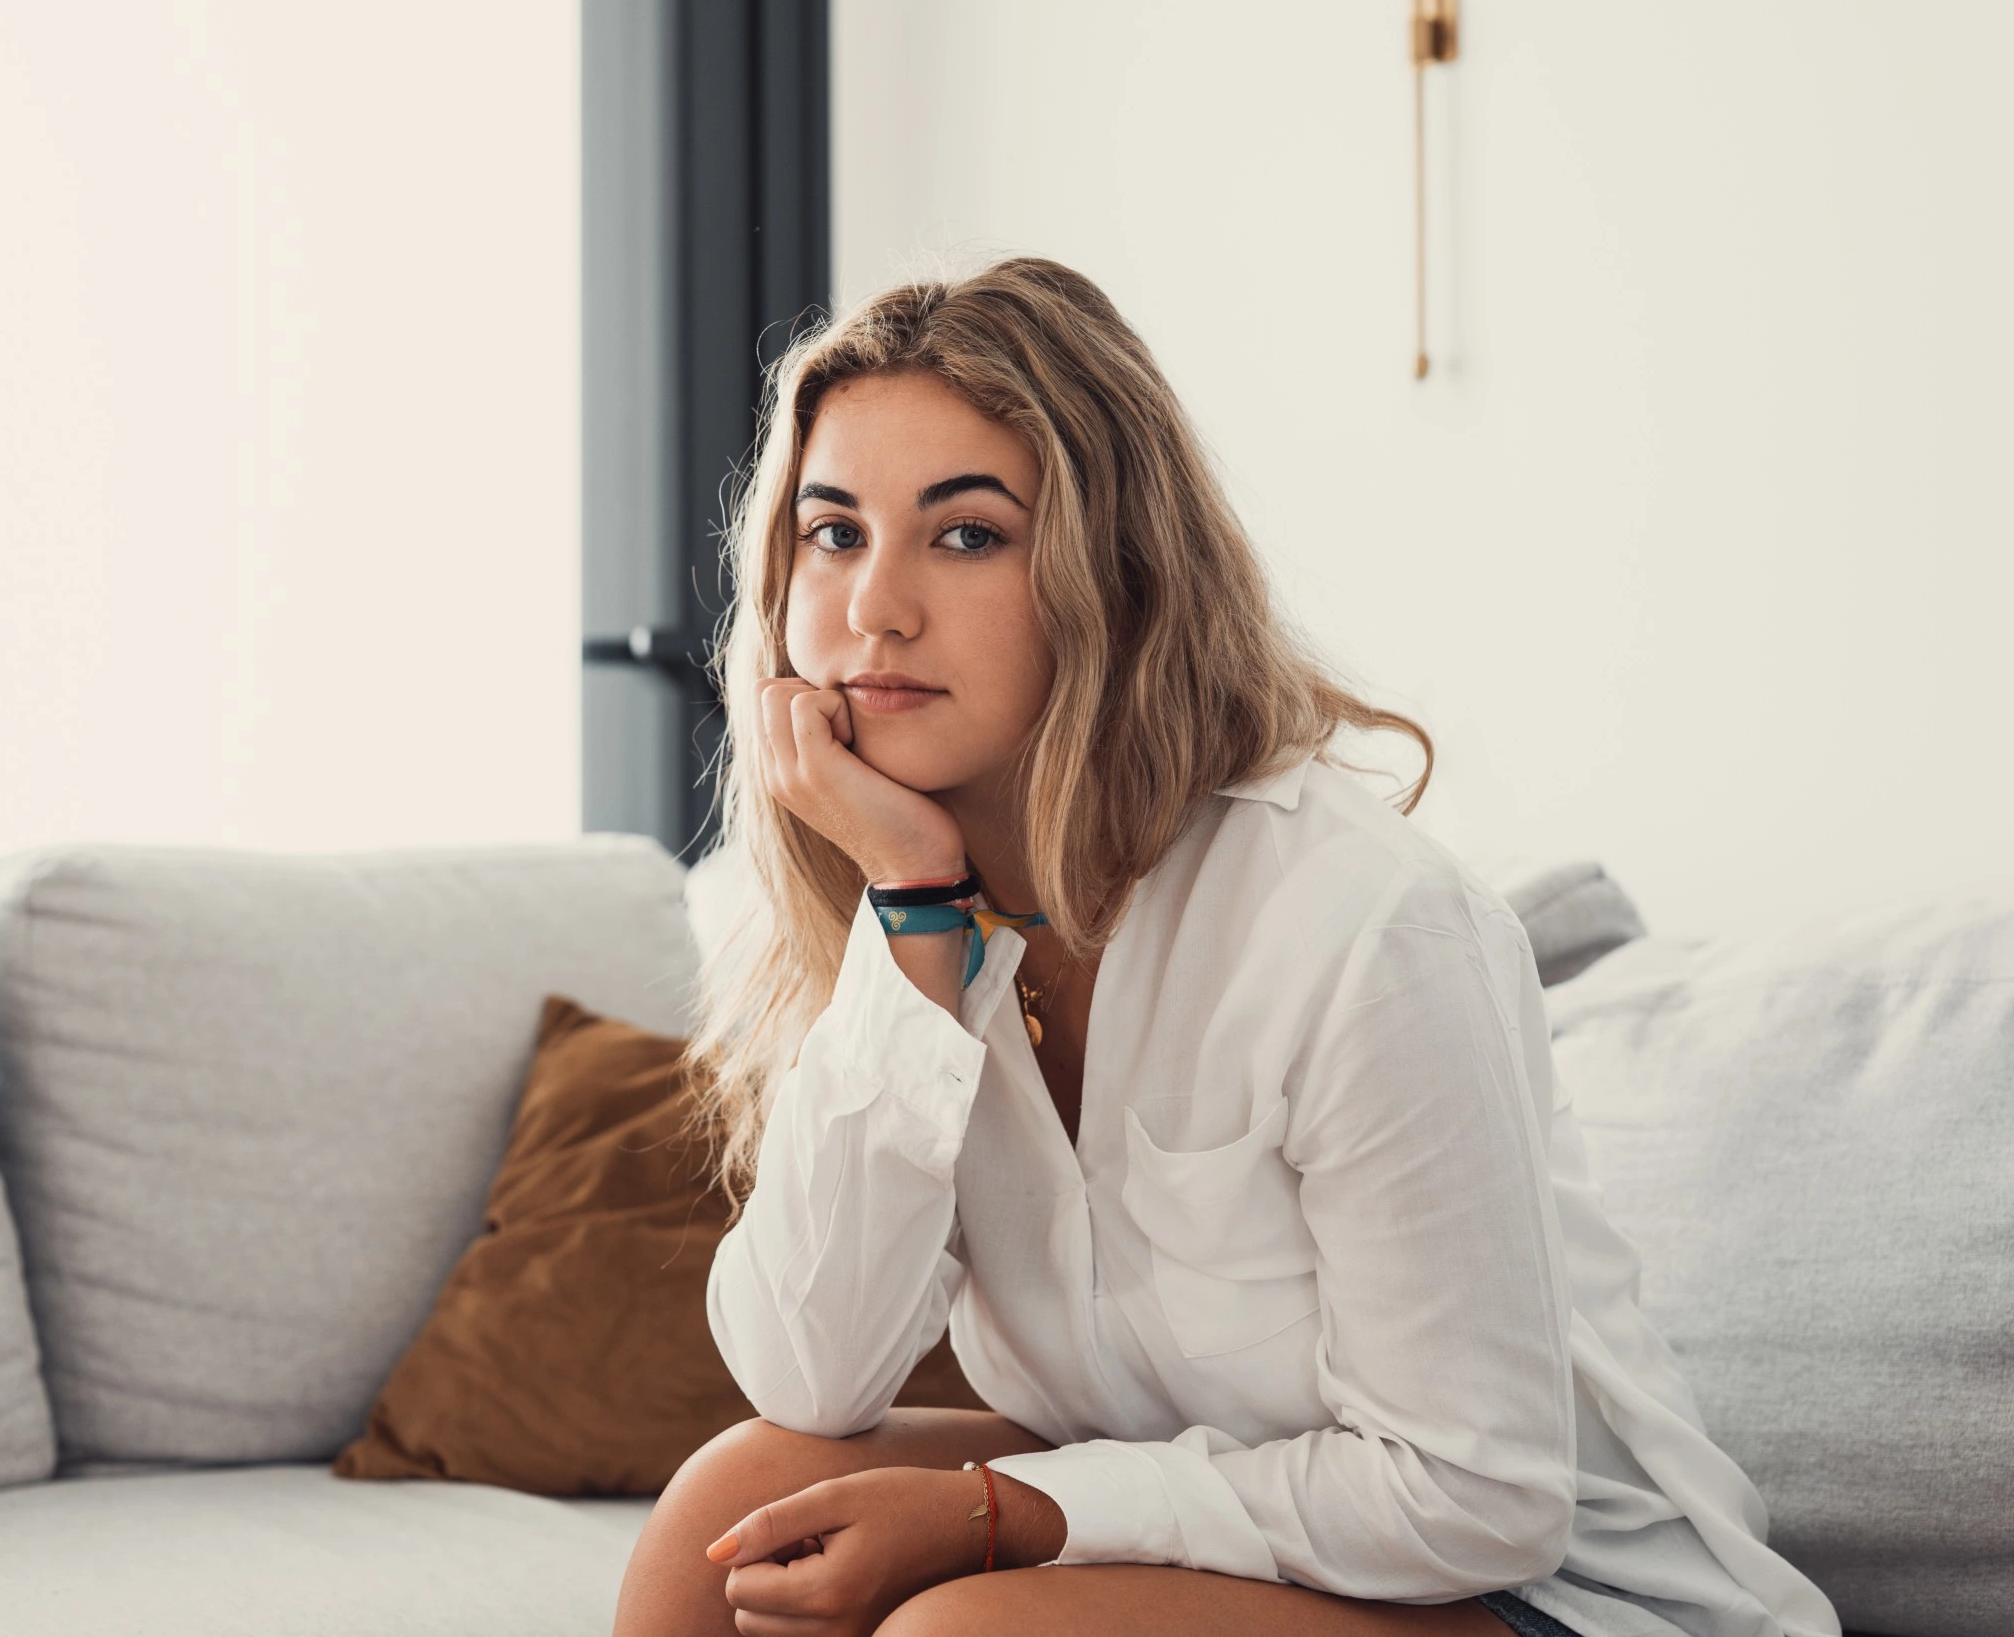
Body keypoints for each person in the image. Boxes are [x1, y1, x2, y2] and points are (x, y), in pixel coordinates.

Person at [610, 259, 1839, 1637]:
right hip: (1230, 1552)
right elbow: (809, 1369)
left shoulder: (1364, 926)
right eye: (834, 534)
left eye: (966, 536)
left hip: (1548, 1597)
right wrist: (908, 908)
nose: (873, 608)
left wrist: (1020, 1515)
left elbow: (1477, 1498)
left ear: (1112, 574)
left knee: (967, 1634)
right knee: (721, 1526)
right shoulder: (924, 920)